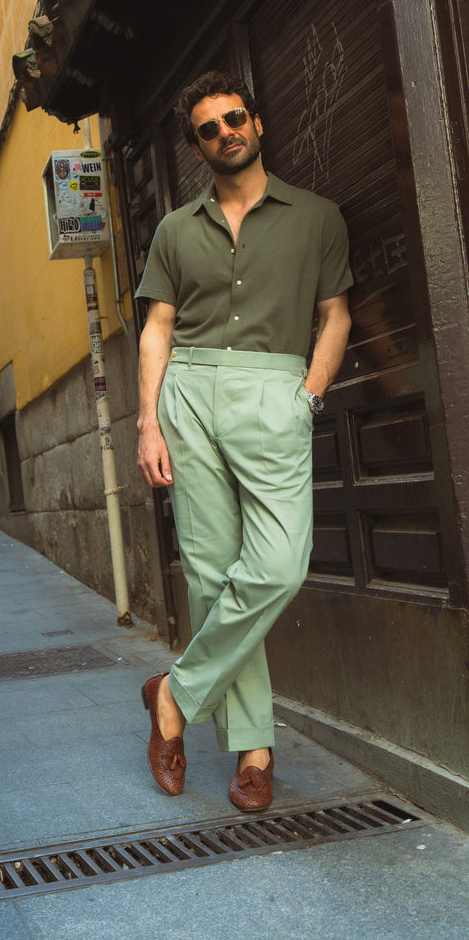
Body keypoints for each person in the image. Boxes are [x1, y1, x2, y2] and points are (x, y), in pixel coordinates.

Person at [136, 71, 352, 812]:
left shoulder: (316, 217)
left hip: (275, 392)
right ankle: (254, 750)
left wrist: (309, 396)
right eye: (209, 127)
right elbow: (157, 327)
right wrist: (148, 419)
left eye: (235, 118)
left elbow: (336, 314)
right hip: (189, 392)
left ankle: (174, 693)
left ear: (257, 122)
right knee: (209, 572)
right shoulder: (173, 229)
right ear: (197, 146)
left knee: (278, 565)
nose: (225, 131)